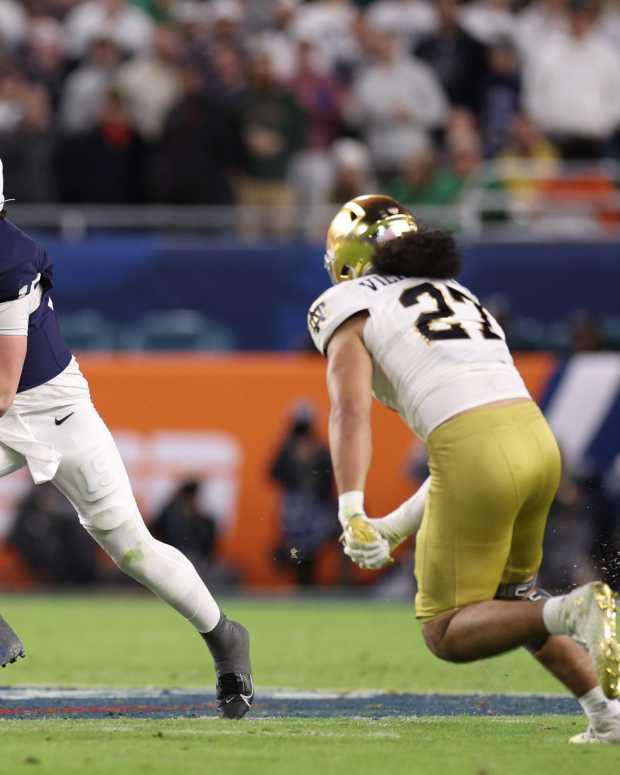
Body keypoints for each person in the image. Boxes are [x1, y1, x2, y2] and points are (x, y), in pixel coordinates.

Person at [306, 193, 620, 743]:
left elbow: (350, 409)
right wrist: (394, 527)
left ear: (350, 259)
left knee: (447, 631)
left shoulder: (345, 302)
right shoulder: (457, 292)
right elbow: (472, 441)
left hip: (476, 450)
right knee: (512, 603)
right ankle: (608, 716)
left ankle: (574, 608)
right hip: (538, 443)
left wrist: (352, 507)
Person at [0, 160, 252, 719]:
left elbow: (3, 385)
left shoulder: (9, 259)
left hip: (53, 410)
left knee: (132, 548)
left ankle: (224, 638)